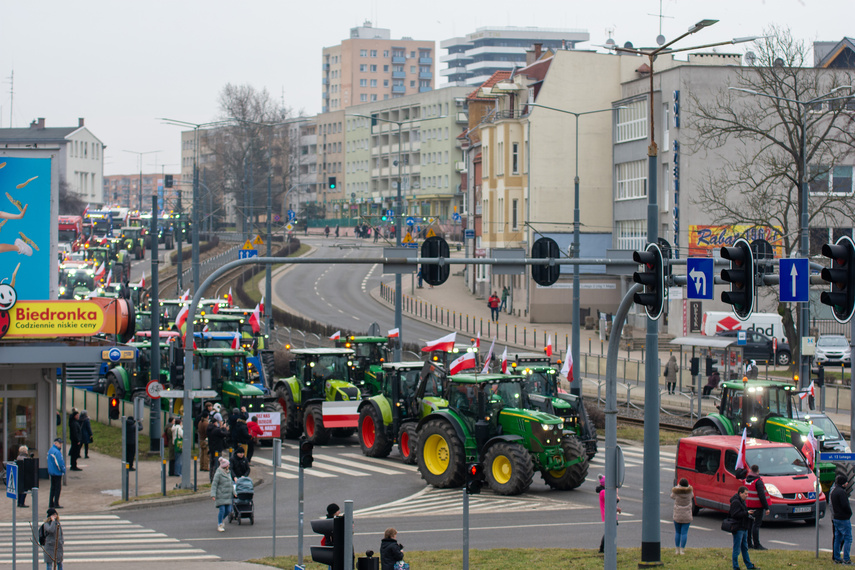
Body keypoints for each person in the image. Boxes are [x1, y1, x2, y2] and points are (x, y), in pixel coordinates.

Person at [729, 486, 759, 570]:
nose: (747, 495)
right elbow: (734, 514)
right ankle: (736, 566)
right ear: (740, 493)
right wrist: (746, 513)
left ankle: (749, 566)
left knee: (744, 548)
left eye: (747, 494)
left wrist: (748, 514)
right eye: (745, 494)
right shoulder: (736, 502)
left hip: (744, 527)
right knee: (737, 548)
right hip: (738, 528)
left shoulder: (742, 501)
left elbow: (742, 513)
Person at [745, 464, 770, 550]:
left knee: (749, 525)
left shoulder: (747, 480)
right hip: (757, 506)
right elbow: (761, 495)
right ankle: (757, 544)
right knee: (756, 525)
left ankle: (748, 543)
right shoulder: (758, 481)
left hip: (748, 505)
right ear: (758, 471)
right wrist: (766, 507)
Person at [831, 474, 852, 564]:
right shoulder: (842, 492)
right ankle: (846, 559)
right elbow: (845, 505)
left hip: (836, 517)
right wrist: (849, 513)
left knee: (837, 538)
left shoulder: (834, 491)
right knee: (848, 538)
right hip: (843, 518)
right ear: (843, 483)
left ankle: (836, 557)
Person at [597, 474, 620, 553]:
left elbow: (610, 504)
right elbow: (611, 500)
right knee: (610, 532)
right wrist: (616, 497)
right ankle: (606, 548)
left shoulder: (604, 491)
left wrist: (616, 509)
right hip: (608, 515)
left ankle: (604, 548)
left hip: (611, 514)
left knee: (609, 532)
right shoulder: (603, 492)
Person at [671, 478, 694, 555]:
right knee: (684, 533)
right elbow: (692, 495)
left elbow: (672, 496)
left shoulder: (676, 492)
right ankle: (682, 550)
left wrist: (677, 487)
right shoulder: (689, 492)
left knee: (677, 532)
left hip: (677, 514)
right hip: (687, 515)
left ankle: (677, 550)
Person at [211, 457, 234, 532]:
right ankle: (220, 524)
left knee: (228, 510)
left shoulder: (228, 472)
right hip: (221, 495)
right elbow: (214, 484)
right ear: (225, 466)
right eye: (228, 465)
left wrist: (234, 492)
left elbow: (231, 483)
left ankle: (221, 519)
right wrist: (213, 494)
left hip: (228, 495)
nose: (229, 466)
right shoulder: (218, 473)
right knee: (222, 510)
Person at [207, 418, 228, 483]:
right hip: (217, 449)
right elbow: (225, 434)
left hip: (211, 449)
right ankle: (215, 479)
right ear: (215, 423)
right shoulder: (216, 430)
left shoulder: (209, 429)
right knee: (217, 464)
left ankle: (211, 478)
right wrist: (224, 428)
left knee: (212, 464)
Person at [47, 438, 66, 509]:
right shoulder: (57, 452)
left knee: (52, 488)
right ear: (55, 443)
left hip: (52, 472)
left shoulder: (50, 450)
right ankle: (56, 503)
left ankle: (51, 503)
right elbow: (60, 463)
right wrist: (63, 470)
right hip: (57, 472)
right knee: (58, 488)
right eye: (59, 443)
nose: (61, 445)